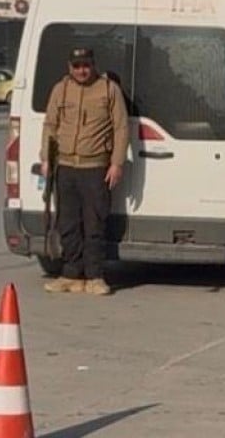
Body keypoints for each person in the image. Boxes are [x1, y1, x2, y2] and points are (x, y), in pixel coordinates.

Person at [41, 47, 130, 296]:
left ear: (93, 65)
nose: (82, 71)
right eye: (77, 66)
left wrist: (117, 163)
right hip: (65, 166)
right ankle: (71, 274)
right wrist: (46, 158)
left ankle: (94, 276)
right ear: (69, 67)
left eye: (86, 66)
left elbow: (121, 127)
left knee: (94, 224)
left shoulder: (108, 90)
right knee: (67, 223)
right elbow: (50, 125)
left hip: (95, 168)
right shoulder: (61, 89)